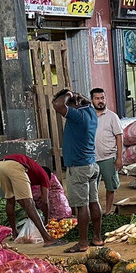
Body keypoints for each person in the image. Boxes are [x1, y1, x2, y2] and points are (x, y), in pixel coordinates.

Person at [54, 88, 102, 253]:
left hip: (78, 168)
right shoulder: (90, 112)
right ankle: (97, 238)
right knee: (93, 202)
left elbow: (58, 105)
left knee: (82, 206)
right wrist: (76, 96)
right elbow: (83, 101)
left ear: (72, 105)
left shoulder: (77, 116)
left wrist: (67, 95)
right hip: (91, 165)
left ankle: (82, 243)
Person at [0, 153, 57, 243]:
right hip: (14, 165)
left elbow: (20, 198)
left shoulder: (31, 171)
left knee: (10, 200)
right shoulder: (45, 175)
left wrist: (28, 211)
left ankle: (14, 233)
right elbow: (45, 201)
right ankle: (47, 238)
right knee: (29, 203)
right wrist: (46, 220)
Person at [91, 87, 124, 214]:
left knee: (111, 187)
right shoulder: (89, 116)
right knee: (92, 188)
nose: (100, 101)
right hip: (92, 159)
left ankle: (108, 211)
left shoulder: (112, 117)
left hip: (108, 158)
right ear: (92, 100)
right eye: (97, 98)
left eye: (102, 98)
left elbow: (119, 137)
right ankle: (95, 212)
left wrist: (119, 157)